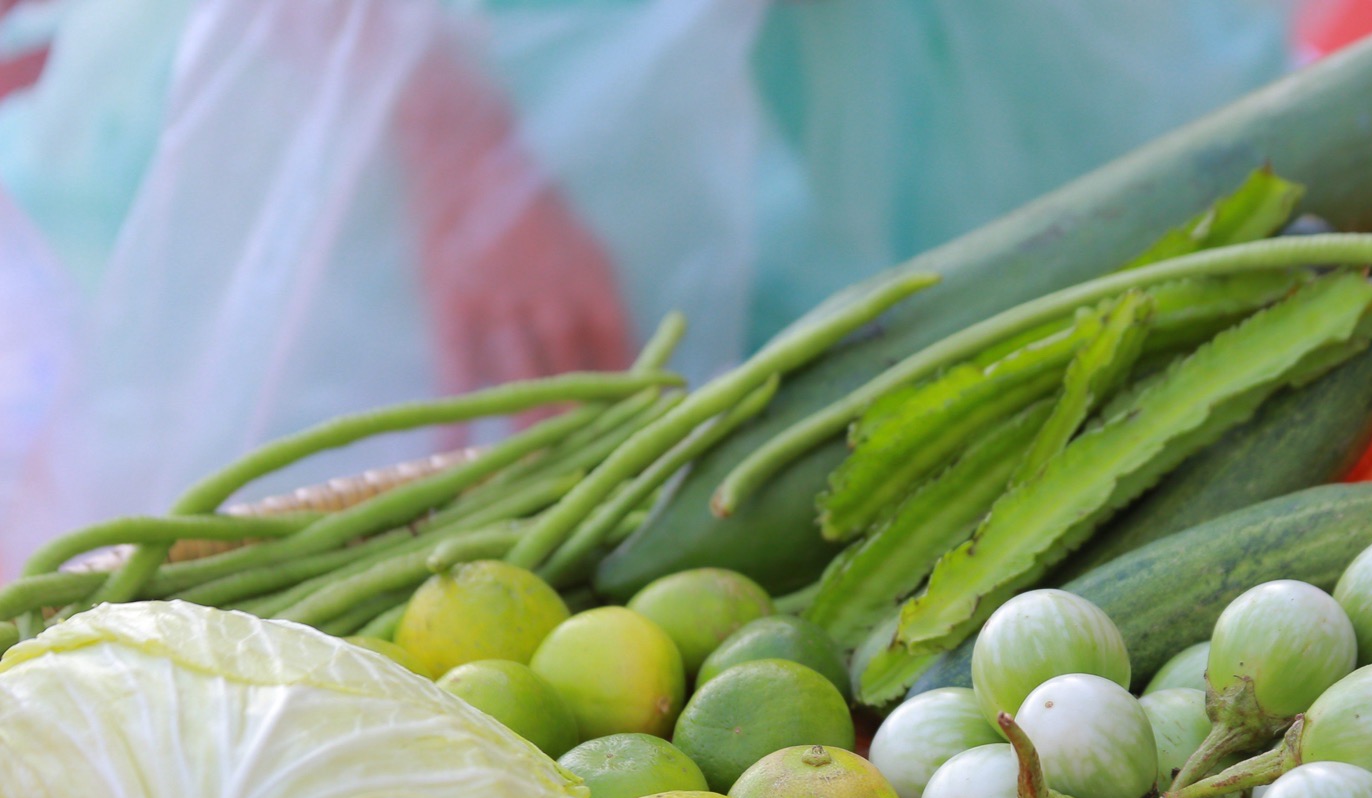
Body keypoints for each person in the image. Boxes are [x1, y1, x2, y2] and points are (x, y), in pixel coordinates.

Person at [0, 0, 1289, 573]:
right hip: (487, 61)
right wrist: (459, 155)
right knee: (428, 505)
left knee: (890, 455)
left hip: (870, 59)